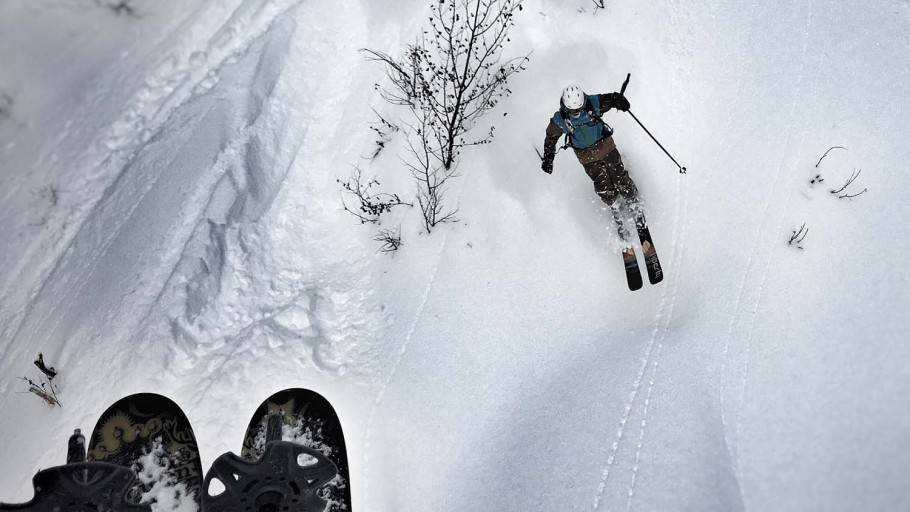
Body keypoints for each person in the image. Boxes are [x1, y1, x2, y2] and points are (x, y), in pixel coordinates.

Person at [540, 85, 645, 242]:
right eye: (573, 111)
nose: (577, 113)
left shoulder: (593, 103)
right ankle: (615, 206)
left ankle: (633, 201)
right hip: (586, 156)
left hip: (606, 146)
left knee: (619, 176)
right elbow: (550, 138)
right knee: (602, 184)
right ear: (566, 107)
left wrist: (619, 101)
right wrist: (549, 158)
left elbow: (610, 99)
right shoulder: (560, 119)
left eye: (579, 109)